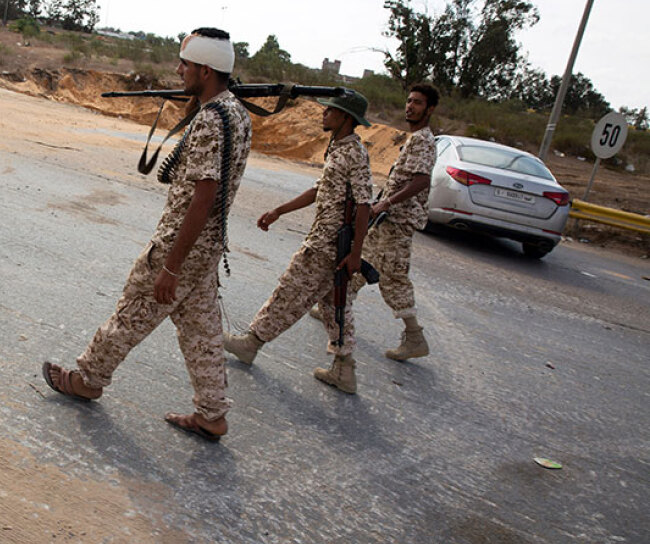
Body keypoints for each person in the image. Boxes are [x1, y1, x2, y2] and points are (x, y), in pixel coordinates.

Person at [41, 28, 252, 442]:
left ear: (206, 70)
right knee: (202, 331)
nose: (178, 70)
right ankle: (212, 414)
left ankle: (87, 378)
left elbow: (203, 196)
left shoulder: (212, 120)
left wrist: (171, 266)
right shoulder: (236, 113)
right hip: (208, 247)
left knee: (132, 310)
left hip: (181, 246)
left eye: (185, 64)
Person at [224, 90, 373, 394]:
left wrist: (356, 253)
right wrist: (279, 210)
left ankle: (251, 343)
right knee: (334, 305)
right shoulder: (338, 148)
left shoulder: (354, 154)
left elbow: (364, 205)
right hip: (328, 241)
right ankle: (344, 369)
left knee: (289, 290)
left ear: (346, 117)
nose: (324, 113)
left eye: (331, 110)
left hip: (327, 245)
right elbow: (319, 189)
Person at [311, 84, 439, 361]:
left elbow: (420, 180)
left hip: (399, 221)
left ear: (430, 110)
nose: (410, 107)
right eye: (409, 101)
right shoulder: (415, 138)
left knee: (393, 278)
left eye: (417, 103)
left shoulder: (424, 141)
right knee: (359, 260)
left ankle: (415, 337)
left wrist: (385, 203)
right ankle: (334, 307)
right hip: (388, 219)